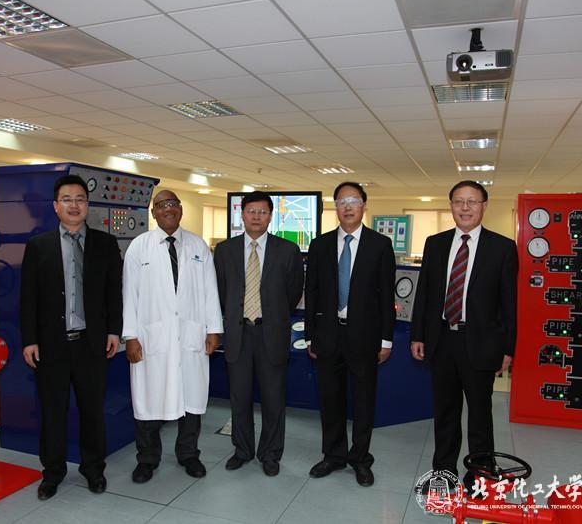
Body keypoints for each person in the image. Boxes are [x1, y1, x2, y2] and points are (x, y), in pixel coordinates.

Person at [410, 180, 517, 491]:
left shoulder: (502, 247)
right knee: (445, 412)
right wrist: (418, 335)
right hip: (442, 339)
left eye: (472, 201)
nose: (465, 208)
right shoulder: (435, 243)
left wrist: (507, 348)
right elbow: (424, 294)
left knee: (480, 414)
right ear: (451, 206)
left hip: (481, 342)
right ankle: (443, 472)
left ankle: (480, 475)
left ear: (484, 206)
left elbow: (509, 304)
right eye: (459, 201)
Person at [20, 174, 122, 501]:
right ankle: (52, 473)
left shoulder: (105, 244)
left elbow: (113, 293)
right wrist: (29, 339)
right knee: (53, 412)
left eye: (80, 199)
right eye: (67, 199)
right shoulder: (38, 246)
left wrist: (114, 331)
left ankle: (94, 470)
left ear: (87, 205)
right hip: (51, 346)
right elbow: (28, 298)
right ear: (56, 206)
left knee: (92, 411)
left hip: (92, 344)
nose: (74, 205)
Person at [122, 189, 222, 483]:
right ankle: (147, 459)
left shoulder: (197, 245)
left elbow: (210, 290)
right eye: (161, 205)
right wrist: (131, 336)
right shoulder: (139, 247)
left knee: (191, 399)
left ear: (180, 209)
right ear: (153, 212)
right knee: (149, 400)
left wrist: (214, 329)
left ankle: (189, 454)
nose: (168, 209)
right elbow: (129, 295)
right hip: (151, 338)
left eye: (173, 204)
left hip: (190, 335)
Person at [304, 181, 395, 487]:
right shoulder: (320, 245)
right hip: (328, 336)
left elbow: (386, 297)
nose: (348, 207)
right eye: (342, 202)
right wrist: (311, 336)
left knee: (364, 401)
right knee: (330, 400)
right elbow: (312, 292)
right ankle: (333, 455)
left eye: (353, 201)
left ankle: (360, 459)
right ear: (336, 208)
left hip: (365, 338)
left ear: (364, 206)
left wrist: (386, 340)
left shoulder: (380, 245)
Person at [214, 191, 304, 477]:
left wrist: (273, 315)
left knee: (273, 399)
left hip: (271, 333)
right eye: (251, 211)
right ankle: (242, 450)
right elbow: (221, 290)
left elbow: (293, 292)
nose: (256, 216)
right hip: (238, 334)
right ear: (242, 214)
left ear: (270, 216)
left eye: (262, 212)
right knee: (239, 398)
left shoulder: (287, 250)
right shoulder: (225, 250)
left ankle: (270, 454)